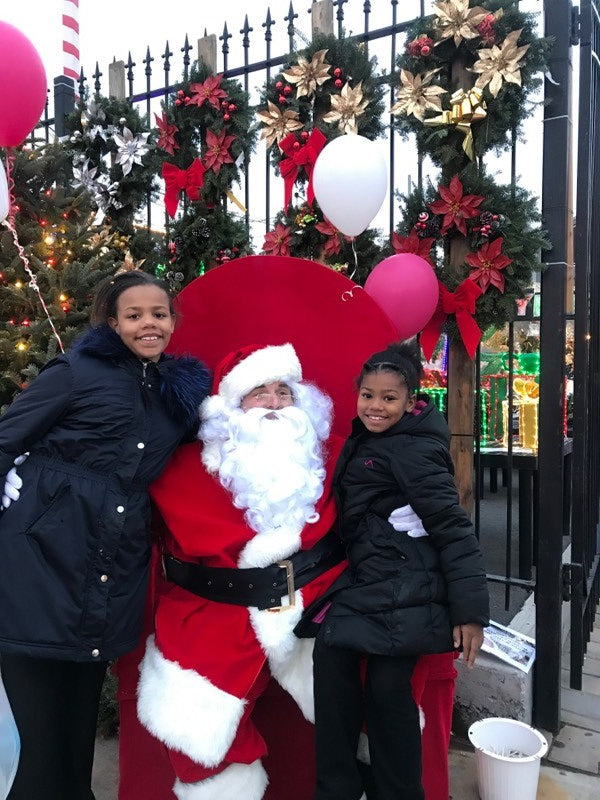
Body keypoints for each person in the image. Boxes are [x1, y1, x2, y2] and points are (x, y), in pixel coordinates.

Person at [127, 342, 425, 800]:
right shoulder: (181, 469)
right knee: (191, 716)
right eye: (258, 392)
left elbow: (405, 463)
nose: (273, 403)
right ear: (230, 408)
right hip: (218, 607)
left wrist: (415, 507)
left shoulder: (336, 456)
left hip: (322, 597)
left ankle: (372, 783)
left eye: (283, 392)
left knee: (377, 678)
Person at [0, 271, 210, 800]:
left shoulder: (176, 397)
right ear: (113, 323)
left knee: (77, 742)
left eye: (159, 314)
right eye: (134, 315)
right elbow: (6, 439)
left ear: (172, 322)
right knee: (40, 753)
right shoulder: (75, 372)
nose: (148, 324)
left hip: (109, 569)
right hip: (40, 562)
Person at [310, 339, 490, 800]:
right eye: (367, 395)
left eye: (389, 398)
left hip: (407, 583)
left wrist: (470, 612)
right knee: (331, 660)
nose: (375, 406)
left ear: (410, 403)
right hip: (375, 576)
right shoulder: (370, 438)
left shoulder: (412, 449)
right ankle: (340, 788)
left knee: (387, 690)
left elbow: (453, 528)